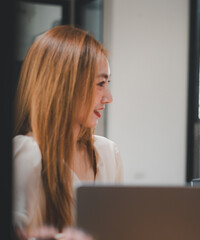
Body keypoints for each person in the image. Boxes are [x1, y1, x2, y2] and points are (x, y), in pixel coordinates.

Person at [12, 25, 123, 236]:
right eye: (100, 83)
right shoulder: (27, 155)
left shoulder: (109, 153)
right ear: (65, 85)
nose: (109, 97)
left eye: (108, 83)